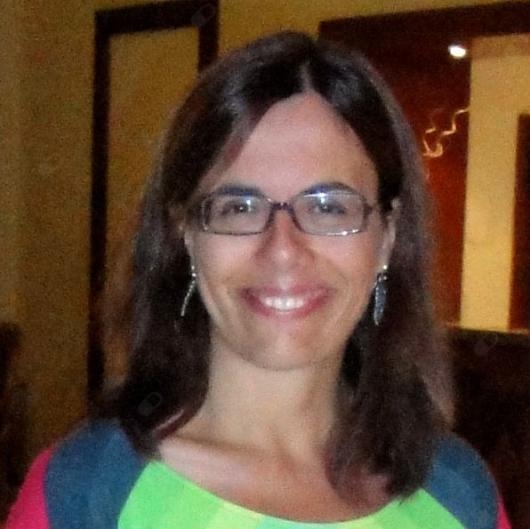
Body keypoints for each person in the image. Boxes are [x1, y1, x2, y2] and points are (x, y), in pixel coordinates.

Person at [7, 31, 511, 529]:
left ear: (386, 238)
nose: (283, 249)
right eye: (239, 207)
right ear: (186, 234)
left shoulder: (456, 494)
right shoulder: (90, 491)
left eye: (328, 207)